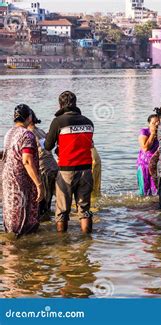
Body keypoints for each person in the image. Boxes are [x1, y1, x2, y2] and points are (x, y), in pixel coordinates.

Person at [45, 91, 95, 233]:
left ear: (60, 104)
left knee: (62, 211)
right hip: (86, 170)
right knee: (84, 210)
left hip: (67, 171)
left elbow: (48, 146)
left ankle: (63, 245)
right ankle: (87, 242)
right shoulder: (88, 122)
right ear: (75, 103)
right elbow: (86, 144)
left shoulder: (58, 122)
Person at [2, 104, 44, 236]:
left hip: (7, 180)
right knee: (23, 219)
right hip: (21, 181)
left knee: (11, 215)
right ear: (29, 117)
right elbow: (26, 161)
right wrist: (39, 184)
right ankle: (21, 251)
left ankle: (11, 249)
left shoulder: (9, 133)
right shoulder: (27, 135)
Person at [28, 110, 59, 220]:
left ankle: (43, 226)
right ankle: (49, 221)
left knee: (41, 201)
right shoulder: (40, 131)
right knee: (49, 200)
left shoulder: (28, 133)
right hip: (54, 167)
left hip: (43, 169)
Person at [137, 114, 159, 196]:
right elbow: (145, 148)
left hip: (156, 165)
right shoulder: (144, 132)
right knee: (145, 190)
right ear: (149, 124)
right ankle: (144, 207)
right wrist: (152, 134)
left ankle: (154, 206)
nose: (157, 124)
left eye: (158, 122)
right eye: (154, 123)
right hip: (144, 165)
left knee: (156, 190)